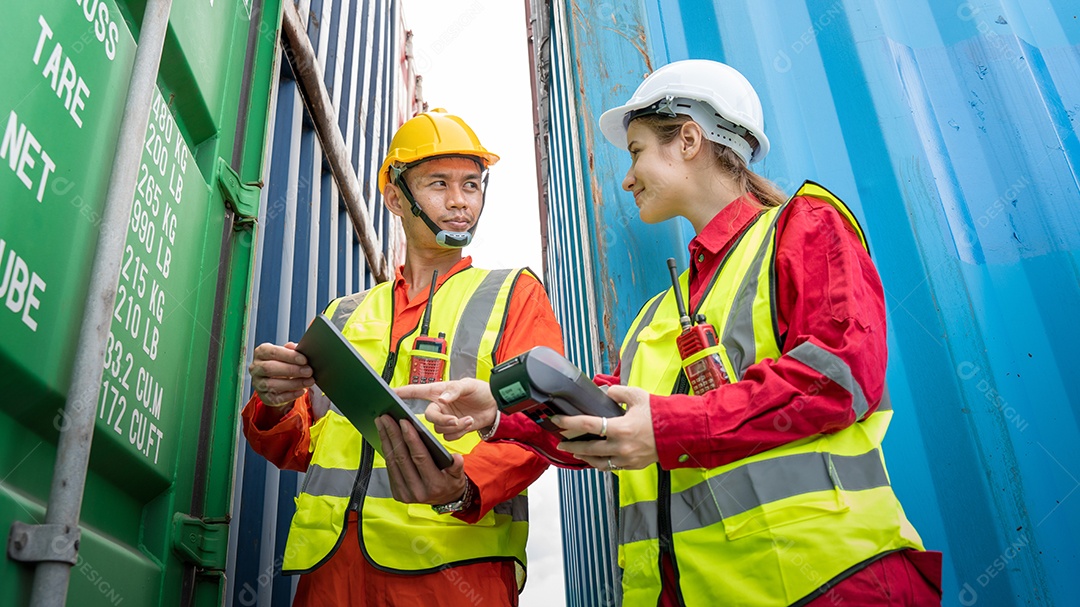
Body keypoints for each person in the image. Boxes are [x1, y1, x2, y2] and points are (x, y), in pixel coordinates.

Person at [399, 61, 943, 606]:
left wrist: (666, 426)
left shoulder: (803, 226)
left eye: (636, 151)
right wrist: (496, 410)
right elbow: (603, 427)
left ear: (688, 139)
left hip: (827, 585)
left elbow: (839, 378)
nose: (627, 177)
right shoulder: (658, 313)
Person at [244, 109, 563, 606]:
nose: (460, 202)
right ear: (395, 197)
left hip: (452, 574)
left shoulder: (513, 295)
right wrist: (276, 402)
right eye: (439, 184)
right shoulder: (345, 314)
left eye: (472, 185)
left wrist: (462, 489)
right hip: (330, 573)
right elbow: (300, 448)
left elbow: (542, 424)